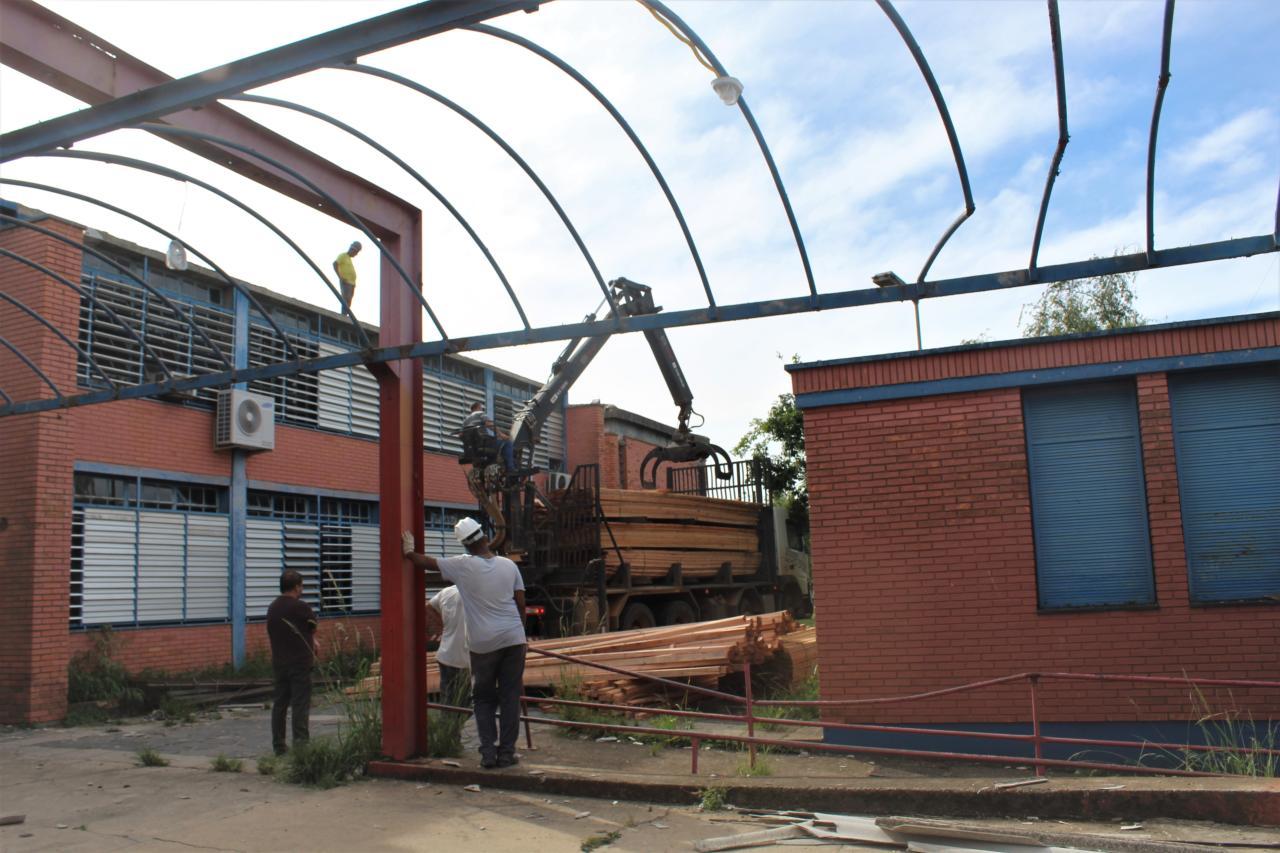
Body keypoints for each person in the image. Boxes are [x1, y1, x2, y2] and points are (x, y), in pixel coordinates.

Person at [402, 519, 526, 769]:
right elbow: (521, 604)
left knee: (483, 699)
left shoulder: (462, 565)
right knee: (510, 697)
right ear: (485, 537)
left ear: (465, 546)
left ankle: (488, 754)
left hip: (483, 645)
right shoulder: (509, 565)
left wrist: (409, 551)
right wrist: (520, 636)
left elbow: (426, 563)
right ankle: (506, 754)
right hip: (513, 640)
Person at [266, 570, 317, 756]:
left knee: (279, 705)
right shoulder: (301, 607)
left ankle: (279, 746)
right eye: (301, 586)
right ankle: (301, 748)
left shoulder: (272, 607)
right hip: (300, 664)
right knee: (300, 705)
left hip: (279, 663)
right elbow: (312, 626)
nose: (302, 589)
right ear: (296, 587)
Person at [429, 584, 470, 704]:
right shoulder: (479, 592)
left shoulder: (446, 592)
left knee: (447, 699)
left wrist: (441, 624)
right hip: (467, 658)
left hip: (446, 655)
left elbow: (429, 607)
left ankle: (448, 716)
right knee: (466, 701)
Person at [461, 401, 516, 472]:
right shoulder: (480, 414)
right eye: (481, 408)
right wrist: (501, 434)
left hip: (473, 449)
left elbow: (461, 435)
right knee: (507, 443)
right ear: (478, 407)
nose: (482, 409)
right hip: (484, 444)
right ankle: (510, 468)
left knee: (492, 451)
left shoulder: (466, 420)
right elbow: (489, 424)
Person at [332, 241, 362, 306]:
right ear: (353, 250)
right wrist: (340, 277)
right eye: (356, 252)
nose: (356, 254)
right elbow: (335, 264)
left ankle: (346, 312)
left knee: (349, 301)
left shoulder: (349, 259)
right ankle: (344, 312)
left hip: (352, 283)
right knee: (346, 299)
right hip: (346, 282)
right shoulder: (343, 256)